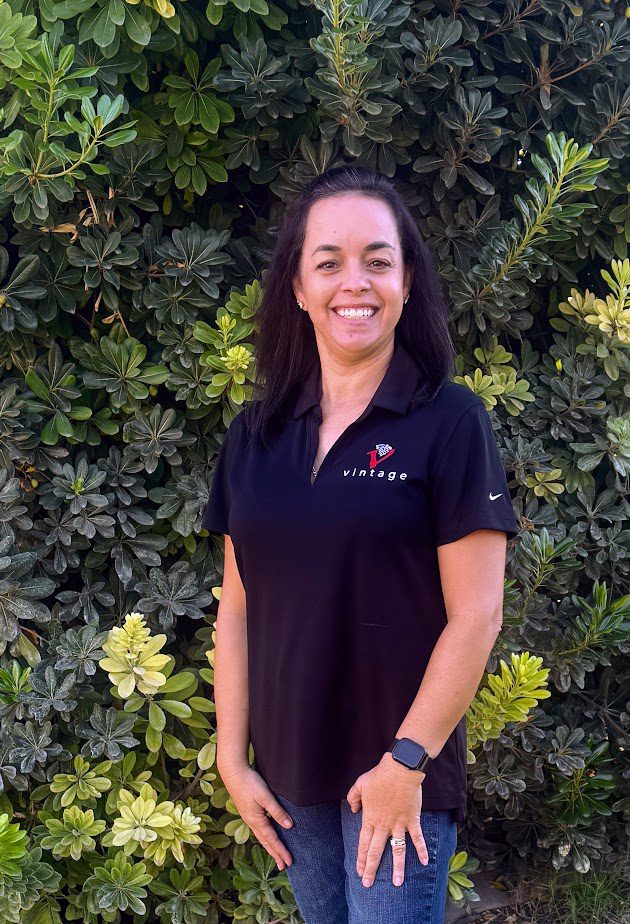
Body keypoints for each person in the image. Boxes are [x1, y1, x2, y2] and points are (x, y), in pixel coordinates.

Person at [201, 164, 520, 923]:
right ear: (298, 288)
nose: (356, 282)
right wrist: (229, 757)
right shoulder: (255, 435)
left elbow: (476, 617)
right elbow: (237, 611)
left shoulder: (448, 422)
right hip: (290, 776)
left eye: (378, 260)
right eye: (329, 262)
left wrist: (406, 762)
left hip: (395, 774)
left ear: (407, 282)